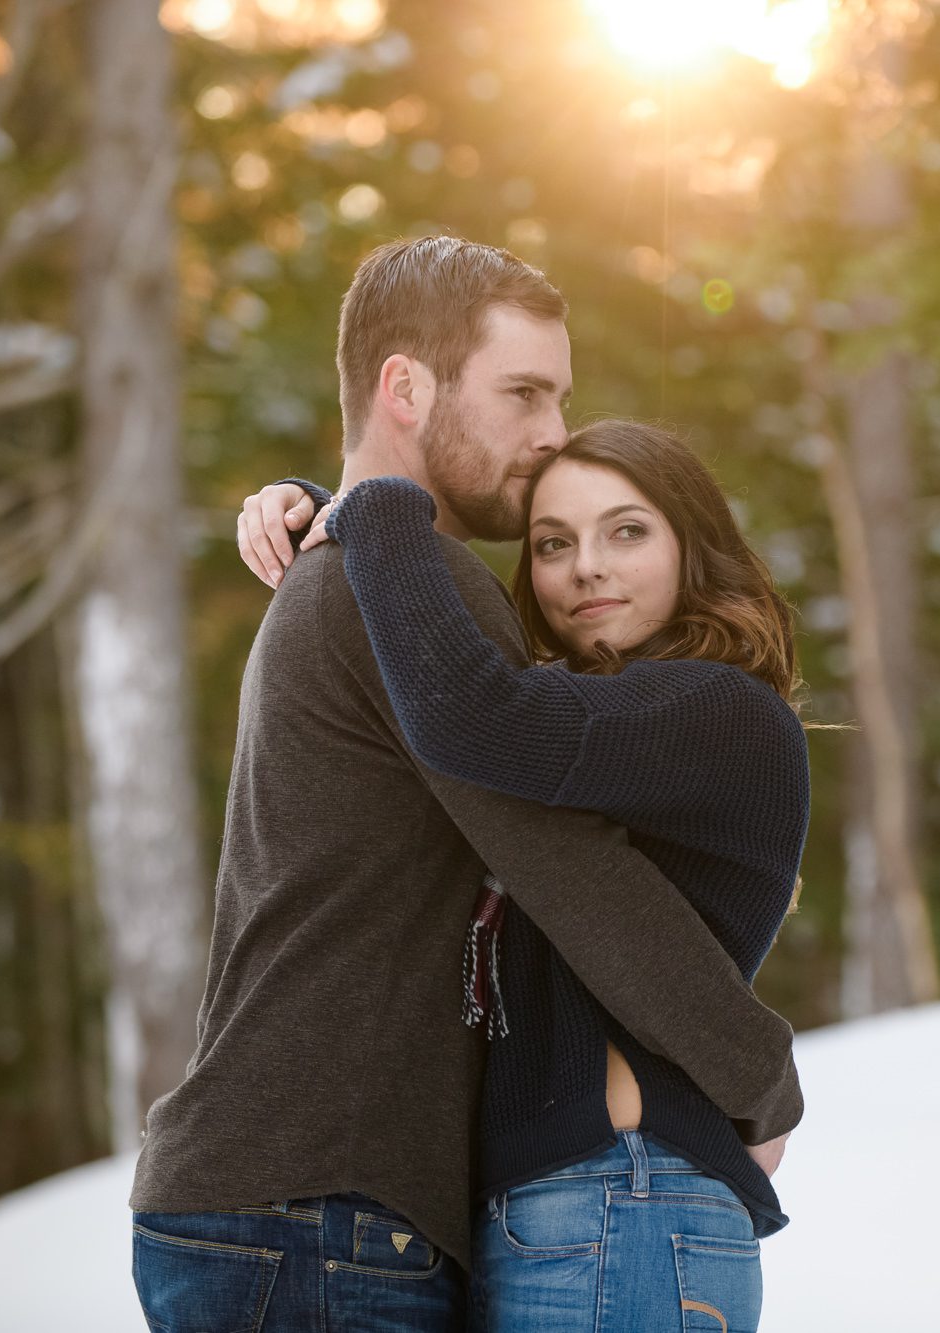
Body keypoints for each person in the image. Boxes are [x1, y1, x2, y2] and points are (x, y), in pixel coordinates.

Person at [129, 238, 802, 1333]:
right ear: (406, 387)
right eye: (523, 392)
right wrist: (755, 1065)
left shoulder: (359, 577)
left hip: (295, 1197)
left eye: (560, 397)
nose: (548, 434)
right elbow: (564, 864)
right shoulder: (410, 583)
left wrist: (340, 501)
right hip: (321, 1205)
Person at [239, 416, 811, 1333]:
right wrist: (330, 521)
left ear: (693, 545)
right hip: (568, 1210)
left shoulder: (718, 708)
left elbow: (475, 710)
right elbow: (455, 686)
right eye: (553, 543)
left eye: (627, 530)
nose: (587, 566)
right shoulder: (596, 734)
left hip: (622, 1198)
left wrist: (377, 506)